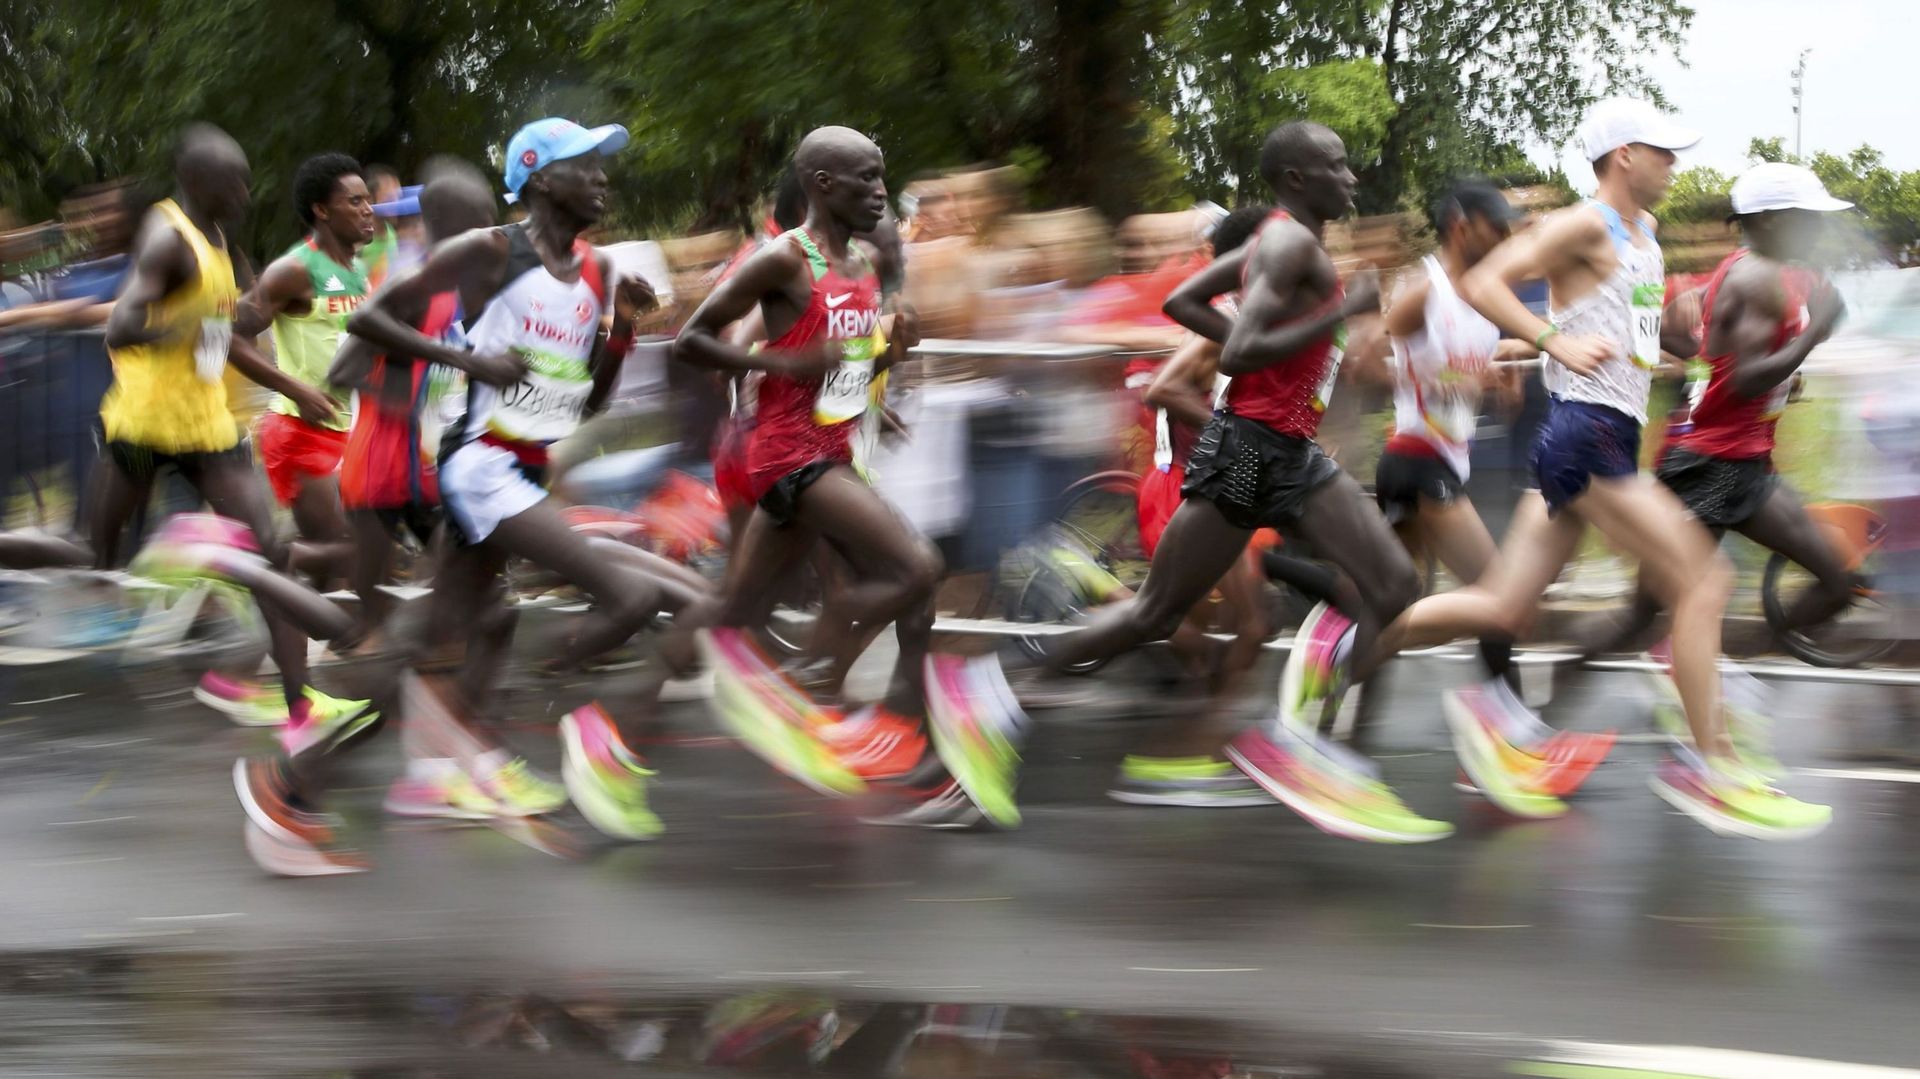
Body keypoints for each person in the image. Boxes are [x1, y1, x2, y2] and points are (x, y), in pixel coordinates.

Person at [957, 122, 1444, 842]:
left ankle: (1300, 739)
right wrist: (1342, 312)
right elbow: (1242, 346)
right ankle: (988, 694)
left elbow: (1184, 302)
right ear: (1298, 181)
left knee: (1393, 584)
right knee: (1156, 612)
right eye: (1337, 166)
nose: (1353, 176)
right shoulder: (1288, 244)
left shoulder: (1274, 240)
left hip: (1285, 451)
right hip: (1251, 450)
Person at [1379, 100, 1832, 839]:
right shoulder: (1587, 221)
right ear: (1623, 154)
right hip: (1583, 435)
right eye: (1663, 151)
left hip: (1601, 434)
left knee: (1502, 606)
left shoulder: (1644, 236)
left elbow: (1643, 344)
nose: (1674, 164)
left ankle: (1358, 631)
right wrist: (1552, 340)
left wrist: (1709, 363)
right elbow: (1486, 281)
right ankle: (1710, 767)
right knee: (1704, 582)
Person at [341, 116, 685, 844]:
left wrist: (621, 330)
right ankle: (551, 708)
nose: (602, 178)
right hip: (482, 467)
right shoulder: (493, 250)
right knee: (632, 595)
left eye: (603, 165)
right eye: (584, 165)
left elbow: (587, 401)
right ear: (539, 178)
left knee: (457, 628)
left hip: (527, 467)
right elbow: (370, 321)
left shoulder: (594, 272)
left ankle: (401, 773)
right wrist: (473, 364)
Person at [676, 126, 959, 816]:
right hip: (785, 455)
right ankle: (810, 688)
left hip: (830, 450)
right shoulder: (783, 258)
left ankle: (909, 749)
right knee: (915, 569)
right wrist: (783, 363)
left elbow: (843, 364)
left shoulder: (859, 262)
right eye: (868, 179)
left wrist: (891, 354)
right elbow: (694, 342)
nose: (882, 193)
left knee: (740, 608)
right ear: (823, 184)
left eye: (883, 177)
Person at [1556, 163, 1854, 768]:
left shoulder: (1770, 275)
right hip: (1707, 467)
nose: (1820, 230)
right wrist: (1813, 337)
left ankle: (1715, 673)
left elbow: (1699, 352)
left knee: (1835, 581)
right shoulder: (1757, 279)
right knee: (1642, 613)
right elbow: (1742, 377)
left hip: (1740, 463)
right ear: (1770, 221)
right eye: (1810, 218)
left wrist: (1765, 375)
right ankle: (1549, 703)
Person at [1105, 204, 1276, 807]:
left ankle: (1186, 757)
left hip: (1216, 483)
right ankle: (1192, 756)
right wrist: (1240, 432)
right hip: (1187, 486)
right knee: (1251, 622)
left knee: (1202, 631)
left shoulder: (1255, 318)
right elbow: (1164, 388)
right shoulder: (1222, 319)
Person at [238, 153, 377, 593]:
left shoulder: (357, 270)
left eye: (368, 200)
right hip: (301, 431)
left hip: (351, 429)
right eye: (354, 202)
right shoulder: (294, 270)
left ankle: (308, 633)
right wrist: (296, 389)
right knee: (347, 550)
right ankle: (244, 563)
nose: (368, 210)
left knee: (336, 567)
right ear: (322, 210)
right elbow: (228, 337)